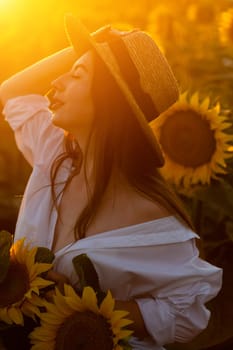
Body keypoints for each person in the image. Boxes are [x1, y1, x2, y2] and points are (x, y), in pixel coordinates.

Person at [0, 14, 222, 350]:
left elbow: (186, 313)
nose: (55, 83)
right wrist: (91, 43)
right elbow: (11, 91)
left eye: (76, 75)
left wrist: (83, 308)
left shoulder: (153, 218)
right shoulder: (54, 155)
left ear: (109, 100)